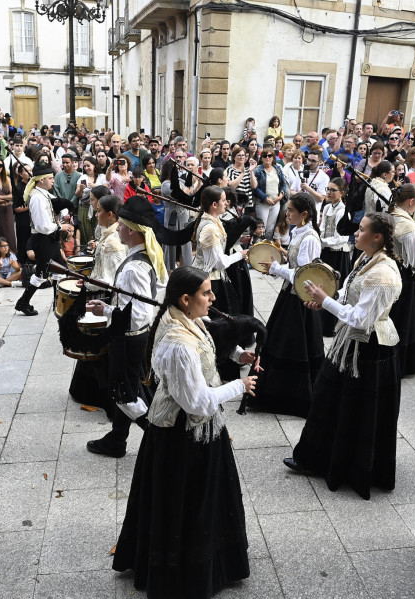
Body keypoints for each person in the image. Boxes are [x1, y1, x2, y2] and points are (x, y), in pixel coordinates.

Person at [112, 266, 256, 598]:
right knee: (188, 504)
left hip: (199, 432)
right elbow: (197, 403)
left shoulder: (184, 317)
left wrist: (239, 354)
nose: (214, 297)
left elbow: (207, 342)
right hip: (181, 438)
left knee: (204, 501)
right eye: (207, 292)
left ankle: (215, 562)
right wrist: (240, 385)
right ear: (186, 299)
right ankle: (186, 573)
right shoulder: (176, 345)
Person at [285, 213, 403, 500]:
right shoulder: (364, 259)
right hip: (348, 343)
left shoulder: (383, 273)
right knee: (328, 398)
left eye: (361, 230)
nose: (356, 233)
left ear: (377, 237)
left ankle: (353, 467)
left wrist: (325, 301)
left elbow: (362, 320)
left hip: (369, 349)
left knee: (356, 408)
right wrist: (326, 302)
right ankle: (315, 458)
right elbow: (349, 299)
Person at [85, 196, 167, 458]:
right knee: (128, 388)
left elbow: (140, 314)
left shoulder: (134, 268)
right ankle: (117, 439)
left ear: (131, 231)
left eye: (120, 225)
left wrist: (108, 311)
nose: (117, 228)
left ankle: (163, 441)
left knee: (124, 395)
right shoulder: (143, 256)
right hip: (134, 337)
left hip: (128, 339)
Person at [250, 193, 324, 417]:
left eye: (291, 210)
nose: (287, 213)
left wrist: (276, 268)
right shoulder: (299, 231)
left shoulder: (309, 237)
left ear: (304, 214)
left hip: (299, 300)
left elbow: (304, 275)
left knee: (293, 343)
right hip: (289, 295)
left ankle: (292, 396)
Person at [68, 194, 127, 411]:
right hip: (99, 292)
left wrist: (86, 285)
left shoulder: (113, 241)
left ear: (111, 215)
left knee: (100, 347)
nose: (95, 213)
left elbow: (112, 280)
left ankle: (100, 393)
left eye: (99, 210)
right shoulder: (108, 233)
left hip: (105, 297)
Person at [388, 184, 415, 375]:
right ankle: (404, 362)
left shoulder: (390, 215)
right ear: (411, 201)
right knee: (404, 317)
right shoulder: (408, 225)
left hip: (389, 269)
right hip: (405, 275)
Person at [15, 159, 68, 316]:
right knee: (42, 273)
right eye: (51, 178)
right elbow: (42, 226)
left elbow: (55, 206)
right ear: (42, 180)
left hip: (49, 240)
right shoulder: (37, 198)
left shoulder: (44, 194)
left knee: (59, 270)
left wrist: (64, 213)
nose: (53, 181)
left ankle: (57, 303)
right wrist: (60, 227)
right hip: (43, 240)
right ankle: (23, 303)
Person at [193, 186, 250, 317]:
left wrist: (239, 240)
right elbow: (219, 263)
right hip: (209, 280)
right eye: (224, 200)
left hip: (213, 278)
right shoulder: (210, 228)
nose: (227, 203)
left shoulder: (213, 220)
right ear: (214, 204)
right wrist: (240, 255)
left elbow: (217, 247)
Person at [318, 178, 352, 336]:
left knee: (334, 289)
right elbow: (323, 227)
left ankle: (331, 327)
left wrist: (322, 241)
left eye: (333, 190)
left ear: (342, 193)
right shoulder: (326, 208)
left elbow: (341, 238)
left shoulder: (343, 211)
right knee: (322, 286)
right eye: (328, 189)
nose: (329, 193)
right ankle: (320, 323)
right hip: (326, 251)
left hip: (338, 254)